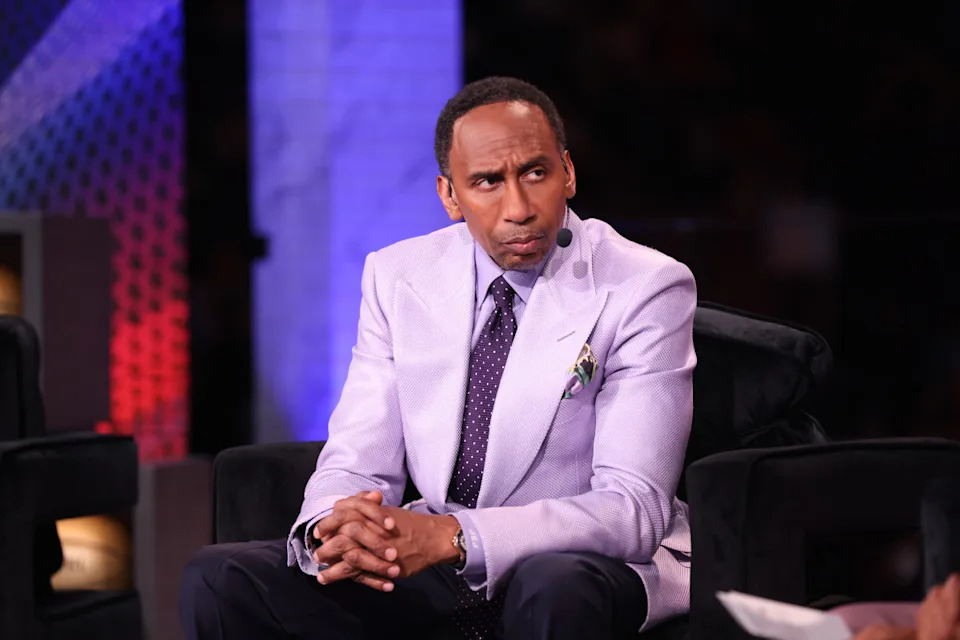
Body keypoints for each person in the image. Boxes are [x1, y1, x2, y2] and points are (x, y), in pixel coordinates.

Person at [180, 76, 697, 639]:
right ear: (451, 196)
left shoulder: (645, 286)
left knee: (552, 587)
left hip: (577, 562)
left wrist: (455, 535)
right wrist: (338, 525)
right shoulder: (398, 275)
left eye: (535, 173)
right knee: (220, 578)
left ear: (567, 173)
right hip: (439, 564)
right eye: (487, 183)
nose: (518, 208)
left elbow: (633, 510)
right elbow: (357, 460)